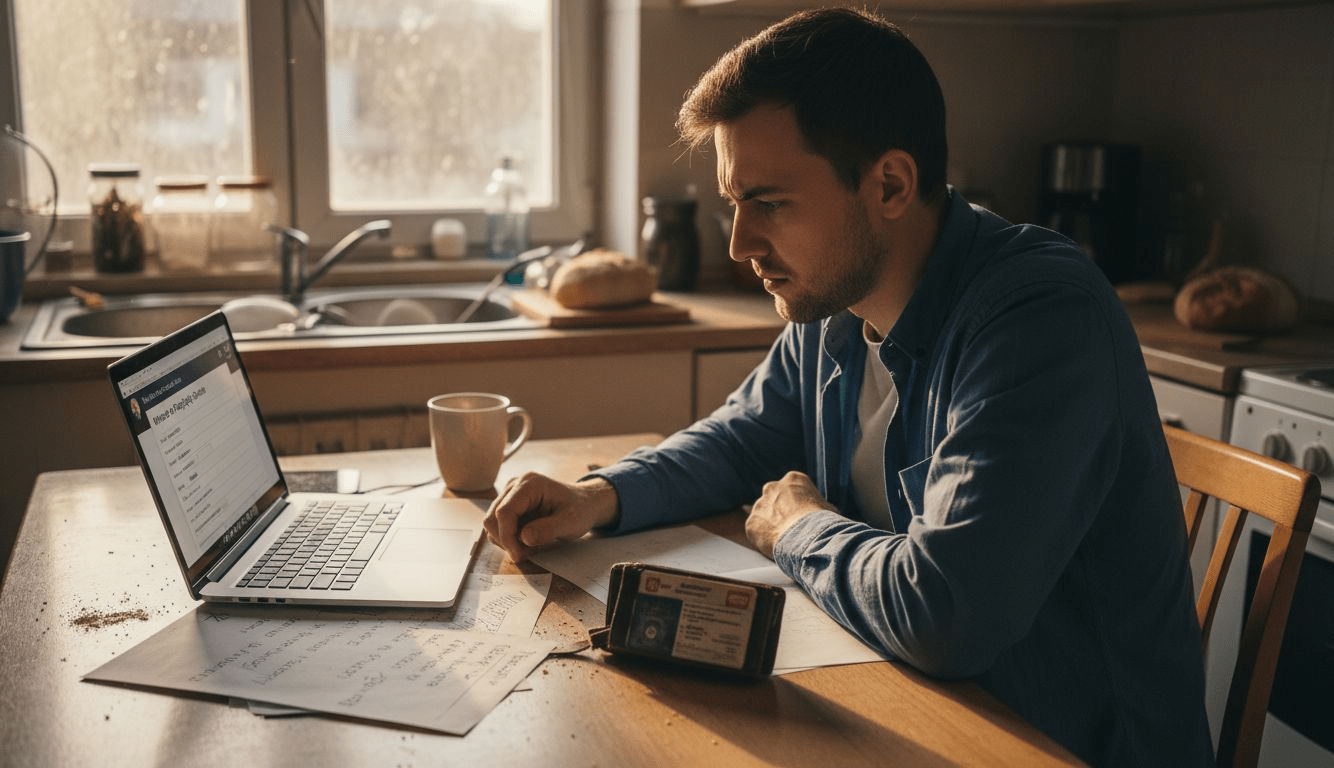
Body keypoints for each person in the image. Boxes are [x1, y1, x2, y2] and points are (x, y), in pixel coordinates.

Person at [485, 8, 1213, 766]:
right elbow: (744, 437)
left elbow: (946, 615)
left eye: (767, 203)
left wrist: (798, 527)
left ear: (890, 184)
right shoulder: (830, 299)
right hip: (912, 709)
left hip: (1050, 742)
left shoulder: (1039, 319)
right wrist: (599, 496)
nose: (739, 245)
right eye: (734, 204)